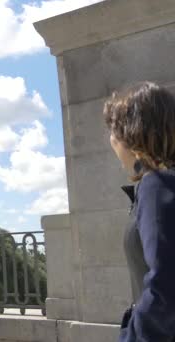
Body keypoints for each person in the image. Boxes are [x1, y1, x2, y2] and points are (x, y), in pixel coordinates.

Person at [103, 82, 175, 341]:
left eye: (112, 132)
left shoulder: (156, 185)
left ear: (129, 136)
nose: (111, 142)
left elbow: (167, 282)